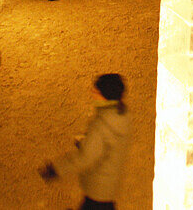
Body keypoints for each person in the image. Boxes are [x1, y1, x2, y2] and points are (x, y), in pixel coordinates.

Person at [39, 74, 131, 209]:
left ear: (105, 95)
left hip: (98, 186)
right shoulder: (122, 115)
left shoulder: (101, 124)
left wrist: (57, 168)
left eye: (96, 91)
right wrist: (88, 142)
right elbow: (108, 143)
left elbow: (85, 157)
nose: (92, 93)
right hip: (110, 181)